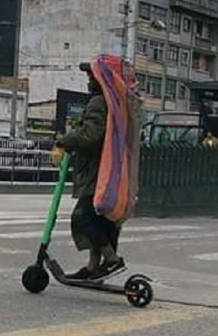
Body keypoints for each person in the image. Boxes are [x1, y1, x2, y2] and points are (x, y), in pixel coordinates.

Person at [56, 63, 125, 281]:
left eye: (90, 75)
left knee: (84, 217)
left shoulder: (98, 101)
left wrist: (63, 141)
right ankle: (94, 266)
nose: (88, 79)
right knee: (102, 219)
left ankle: (112, 260)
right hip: (110, 168)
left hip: (96, 170)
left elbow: (90, 135)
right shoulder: (115, 101)